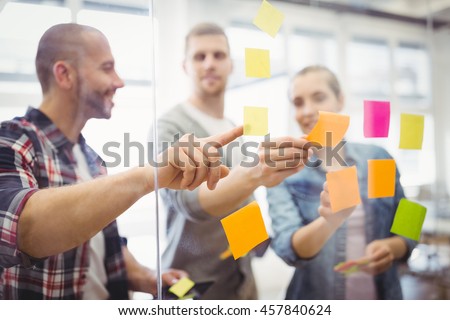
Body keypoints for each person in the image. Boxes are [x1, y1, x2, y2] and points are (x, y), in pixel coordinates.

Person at [0, 23, 243, 299]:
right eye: (107, 68)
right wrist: (147, 175)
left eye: (219, 55)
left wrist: (148, 277)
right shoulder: (13, 140)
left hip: (236, 279)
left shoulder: (92, 159)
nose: (119, 81)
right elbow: (23, 229)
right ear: (64, 74)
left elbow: (103, 245)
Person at [151, 22, 310, 299]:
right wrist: (256, 173)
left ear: (231, 65)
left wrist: (260, 244)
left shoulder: (233, 128)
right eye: (200, 57)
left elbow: (241, 202)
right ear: (185, 66)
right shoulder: (169, 127)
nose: (210, 64)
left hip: (241, 283)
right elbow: (188, 204)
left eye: (219, 55)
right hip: (190, 287)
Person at [267, 65, 417, 300]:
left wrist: (393, 247)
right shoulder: (285, 173)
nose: (307, 110)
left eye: (319, 98)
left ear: (340, 100)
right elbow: (288, 247)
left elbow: (409, 223)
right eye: (298, 102)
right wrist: (330, 220)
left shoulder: (378, 158)